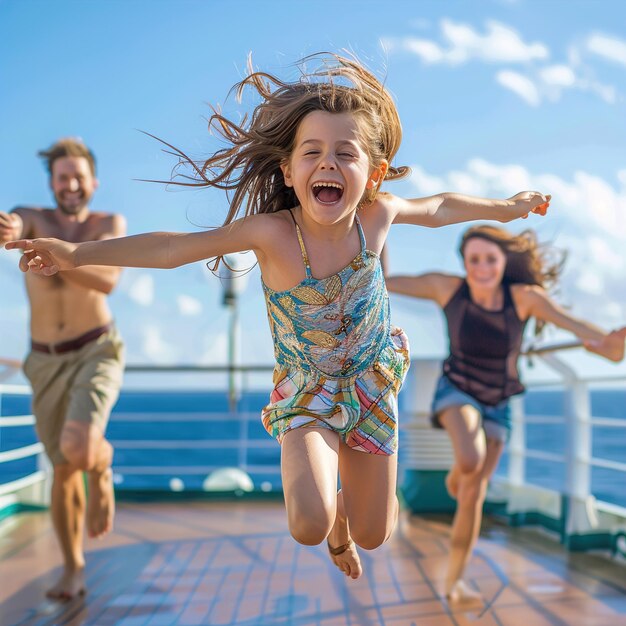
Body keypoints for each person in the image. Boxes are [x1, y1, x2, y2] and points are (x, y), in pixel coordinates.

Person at [5, 55, 549, 581]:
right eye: (311, 152)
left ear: (375, 173)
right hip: (308, 390)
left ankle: (347, 520)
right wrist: (75, 254)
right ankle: (325, 513)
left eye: (346, 153)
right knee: (306, 524)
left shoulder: (376, 216)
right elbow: (172, 247)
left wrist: (506, 207)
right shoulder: (271, 233)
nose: (328, 163)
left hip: (372, 385)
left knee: (376, 531)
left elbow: (440, 207)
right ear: (288, 170)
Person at [384, 224, 626, 601]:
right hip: (457, 391)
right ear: (464, 262)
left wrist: (608, 344)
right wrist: (378, 230)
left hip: (498, 403)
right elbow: (385, 280)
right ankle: (460, 470)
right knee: (471, 458)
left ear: (503, 261)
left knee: (472, 494)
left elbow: (579, 330)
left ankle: (456, 581)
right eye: (474, 260)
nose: (482, 267)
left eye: (490, 259)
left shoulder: (525, 297)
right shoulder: (447, 287)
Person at [0, 138, 126, 600]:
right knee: (63, 467)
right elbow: (14, 223)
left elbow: (109, 278)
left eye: (78, 176)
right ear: (51, 183)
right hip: (43, 361)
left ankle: (103, 462)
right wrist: (8, 227)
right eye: (62, 177)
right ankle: (73, 568)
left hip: (96, 350)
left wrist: (59, 255)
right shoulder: (34, 218)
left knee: (78, 447)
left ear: (93, 181)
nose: (70, 185)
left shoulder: (107, 224)